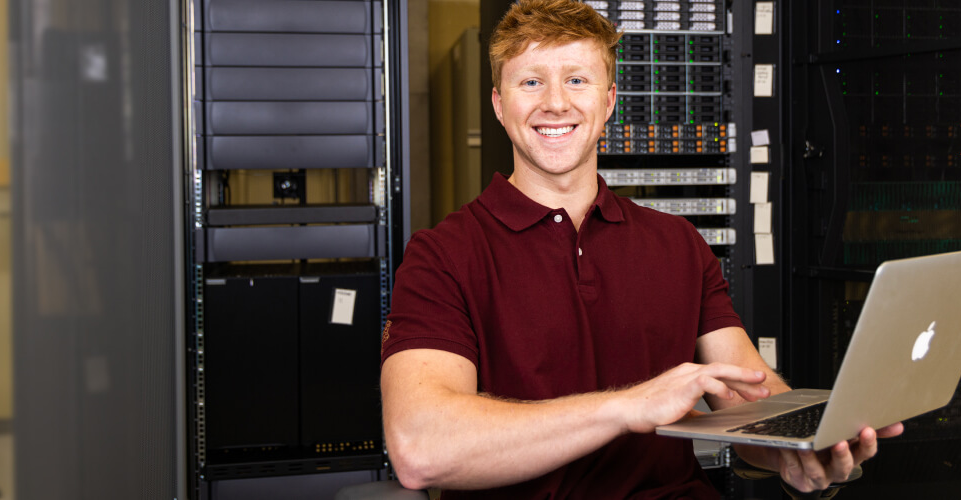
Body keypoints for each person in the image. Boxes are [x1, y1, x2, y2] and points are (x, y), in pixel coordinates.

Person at [377, 0, 902, 497]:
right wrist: (627, 407)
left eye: (577, 80)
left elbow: (747, 401)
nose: (555, 102)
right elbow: (421, 449)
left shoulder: (677, 244)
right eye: (531, 81)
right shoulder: (442, 255)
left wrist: (800, 450)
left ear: (608, 103)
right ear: (498, 104)